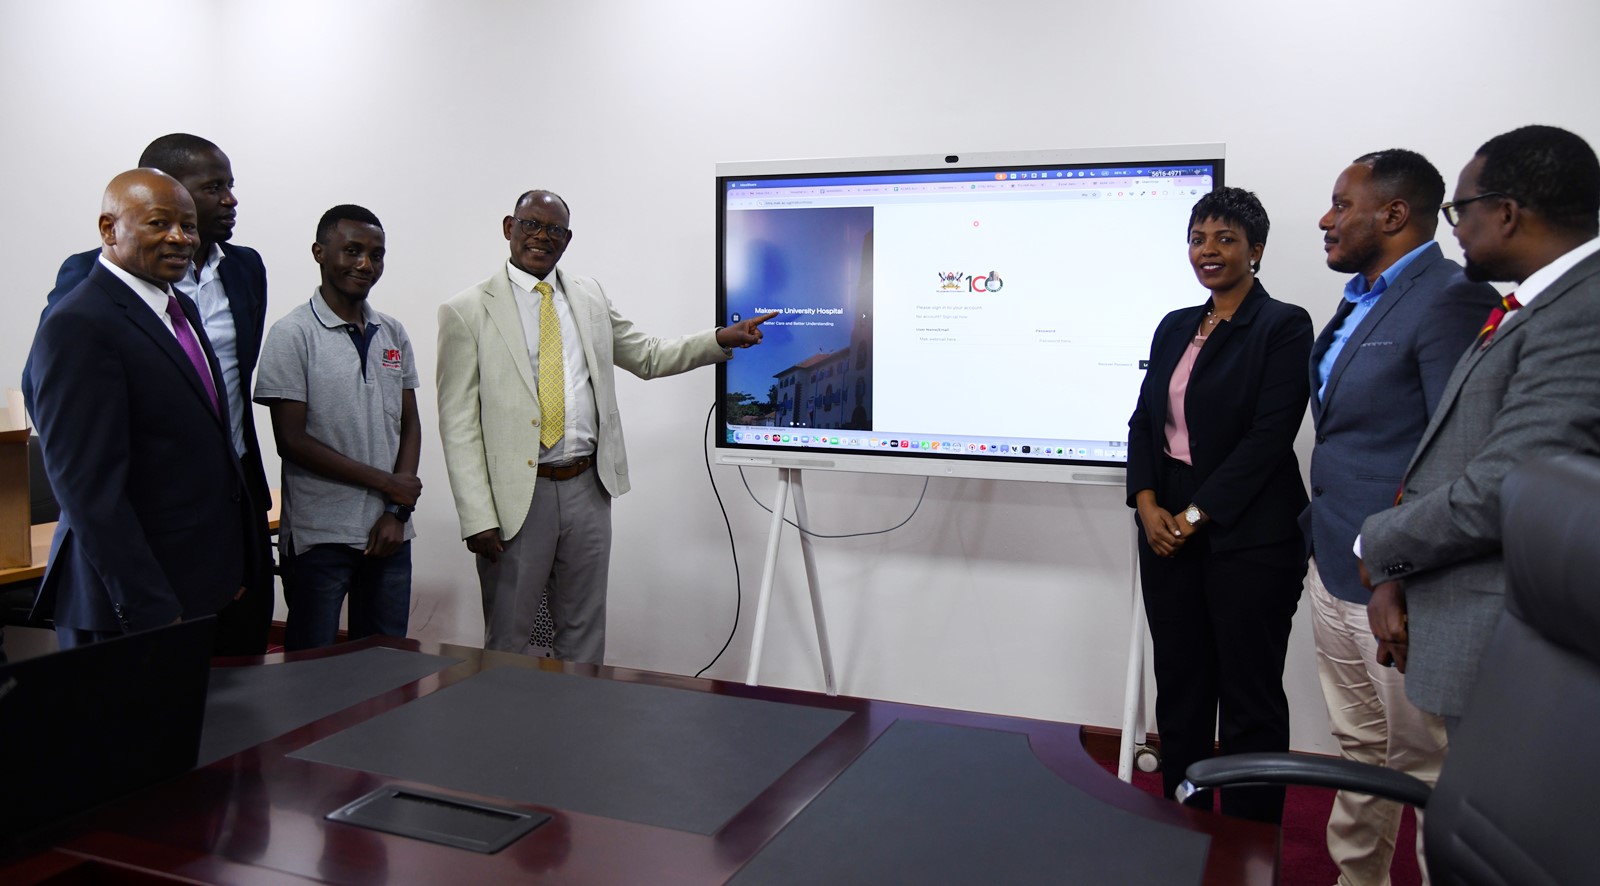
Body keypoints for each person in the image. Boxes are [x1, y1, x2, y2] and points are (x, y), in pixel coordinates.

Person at [436, 189, 776, 665]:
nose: (541, 237)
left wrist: (720, 339)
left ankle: (575, 731)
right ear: (509, 227)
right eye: (531, 224)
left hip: (587, 489)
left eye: (554, 230)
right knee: (509, 638)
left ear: (567, 239)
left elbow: (648, 355)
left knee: (582, 633)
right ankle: (505, 732)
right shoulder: (467, 310)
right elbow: (457, 424)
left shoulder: (588, 295)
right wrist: (477, 516)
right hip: (516, 498)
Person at [1360, 125, 1600, 727]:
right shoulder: (1537, 305)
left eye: (1459, 211)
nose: (1455, 228)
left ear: (1507, 213)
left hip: (1516, 632)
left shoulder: (1582, 312)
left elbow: (1505, 486)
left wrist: (1378, 543)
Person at [1304, 149, 1500, 885]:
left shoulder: (1449, 296)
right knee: (1358, 745)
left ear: (1393, 214)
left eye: (1340, 205)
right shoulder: (1363, 293)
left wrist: (1397, 568)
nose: (1326, 219)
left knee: (1423, 761)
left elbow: (1455, 449)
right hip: (1333, 561)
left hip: (1399, 580)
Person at [23, 133, 273, 656]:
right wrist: (152, 605)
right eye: (160, 223)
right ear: (109, 229)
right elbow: (87, 489)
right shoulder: (81, 319)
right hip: (134, 593)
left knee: (223, 730)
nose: (181, 238)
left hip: (205, 563)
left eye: (186, 225)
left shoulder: (176, 309)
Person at [1126, 187, 1313, 824]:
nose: (1209, 251)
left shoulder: (1282, 326)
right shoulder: (1176, 324)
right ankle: (1182, 826)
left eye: (1226, 239)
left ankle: (1250, 846)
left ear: (1256, 251)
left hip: (1250, 536)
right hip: (1166, 532)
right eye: (1199, 238)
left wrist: (1196, 516)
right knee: (1180, 688)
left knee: (1249, 699)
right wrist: (1148, 506)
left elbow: (1269, 438)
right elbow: (1144, 423)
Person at [254, 206, 421, 650]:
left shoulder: (393, 333)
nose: (365, 265)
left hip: (388, 533)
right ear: (320, 253)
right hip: (319, 539)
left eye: (376, 254)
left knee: (385, 665)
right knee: (313, 670)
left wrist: (396, 513)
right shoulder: (292, 335)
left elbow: (410, 425)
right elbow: (292, 442)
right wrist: (388, 484)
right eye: (352, 251)